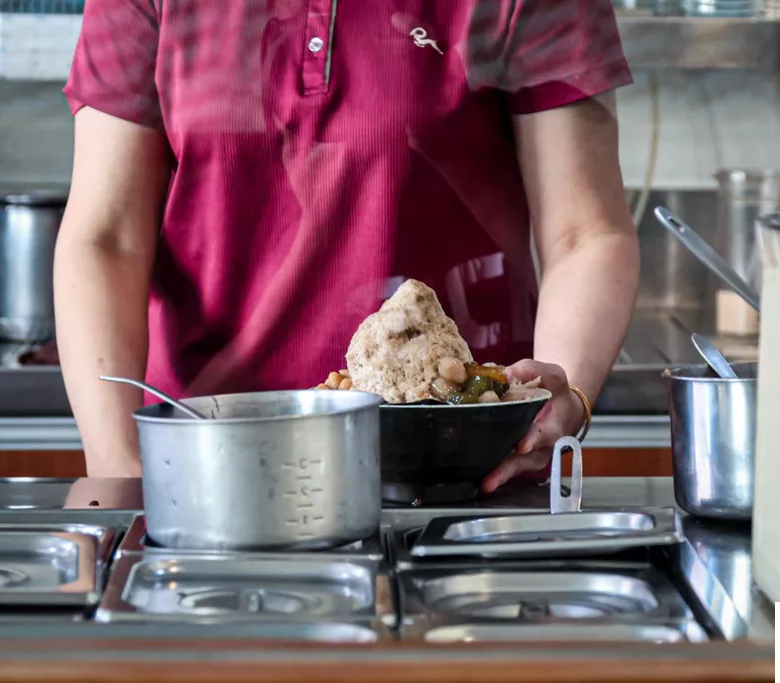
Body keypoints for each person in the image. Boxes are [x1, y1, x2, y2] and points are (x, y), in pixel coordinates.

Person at [56, 0, 640, 488]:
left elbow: (584, 232)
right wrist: (117, 467)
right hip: (205, 462)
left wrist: (569, 396)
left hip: (459, 469)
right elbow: (105, 237)